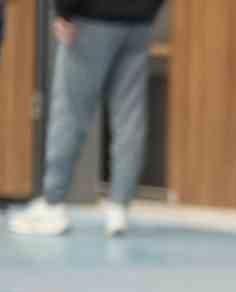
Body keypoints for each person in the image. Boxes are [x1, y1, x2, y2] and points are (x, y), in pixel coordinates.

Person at [8, 0, 166, 239]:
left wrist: (64, 12)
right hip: (139, 21)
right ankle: (119, 207)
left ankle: (53, 203)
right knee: (129, 115)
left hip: (91, 20)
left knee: (70, 111)